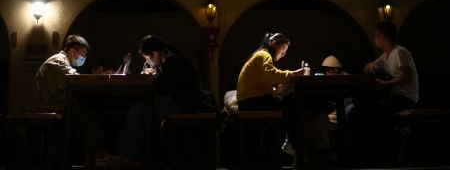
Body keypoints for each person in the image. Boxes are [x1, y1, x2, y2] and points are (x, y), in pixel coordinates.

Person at [114, 35, 216, 165]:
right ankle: (129, 155)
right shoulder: (174, 60)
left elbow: (162, 87)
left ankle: (127, 156)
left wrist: (153, 76)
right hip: (183, 101)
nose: (149, 62)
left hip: (184, 104)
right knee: (140, 110)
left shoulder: (174, 62)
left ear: (155, 54)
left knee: (138, 110)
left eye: (148, 58)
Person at [29, 34, 106, 166]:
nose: (84, 58)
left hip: (52, 105)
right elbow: (76, 80)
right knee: (94, 117)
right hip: (48, 108)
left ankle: (86, 159)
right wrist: (97, 78)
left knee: (86, 112)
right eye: (83, 53)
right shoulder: (59, 61)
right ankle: (98, 159)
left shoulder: (60, 60)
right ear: (72, 51)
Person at [351, 21, 419, 162]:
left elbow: (406, 77)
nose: (374, 38)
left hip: (405, 98)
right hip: (395, 96)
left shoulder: (399, 52)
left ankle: (382, 153)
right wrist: (371, 65)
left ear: (383, 36)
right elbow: (366, 68)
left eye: (376, 35)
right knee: (361, 103)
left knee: (371, 109)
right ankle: (372, 151)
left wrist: (384, 83)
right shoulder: (386, 54)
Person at [236, 32, 303, 168]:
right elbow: (270, 74)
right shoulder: (264, 55)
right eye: (283, 50)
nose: (284, 54)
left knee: (285, 106)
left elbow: (265, 81)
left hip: (249, 100)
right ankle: (293, 146)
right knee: (290, 106)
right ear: (275, 44)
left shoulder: (260, 55)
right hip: (251, 101)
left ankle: (281, 148)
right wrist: (293, 74)